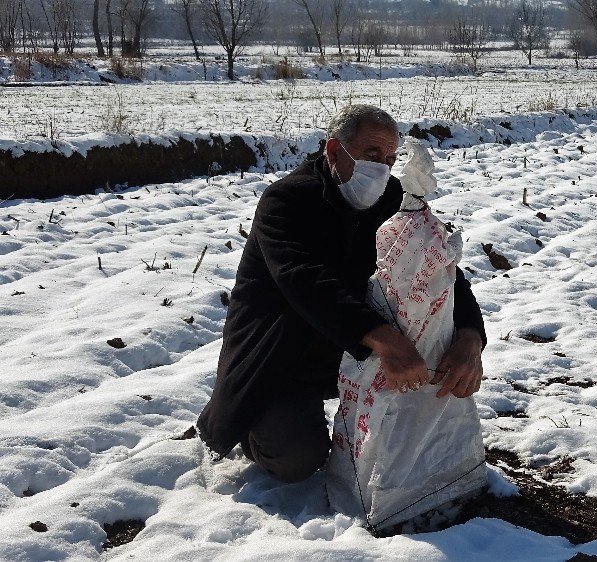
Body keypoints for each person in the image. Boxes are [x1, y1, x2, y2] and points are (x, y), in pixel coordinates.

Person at [197, 105, 487, 483]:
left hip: (352, 348)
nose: (382, 168)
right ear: (334, 152)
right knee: (298, 460)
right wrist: (384, 340)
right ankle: (249, 421)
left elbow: (439, 267)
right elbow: (305, 281)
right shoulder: (286, 202)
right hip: (284, 353)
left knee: (411, 434)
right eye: (371, 156)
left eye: (389, 158)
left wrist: (469, 337)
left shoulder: (391, 200)